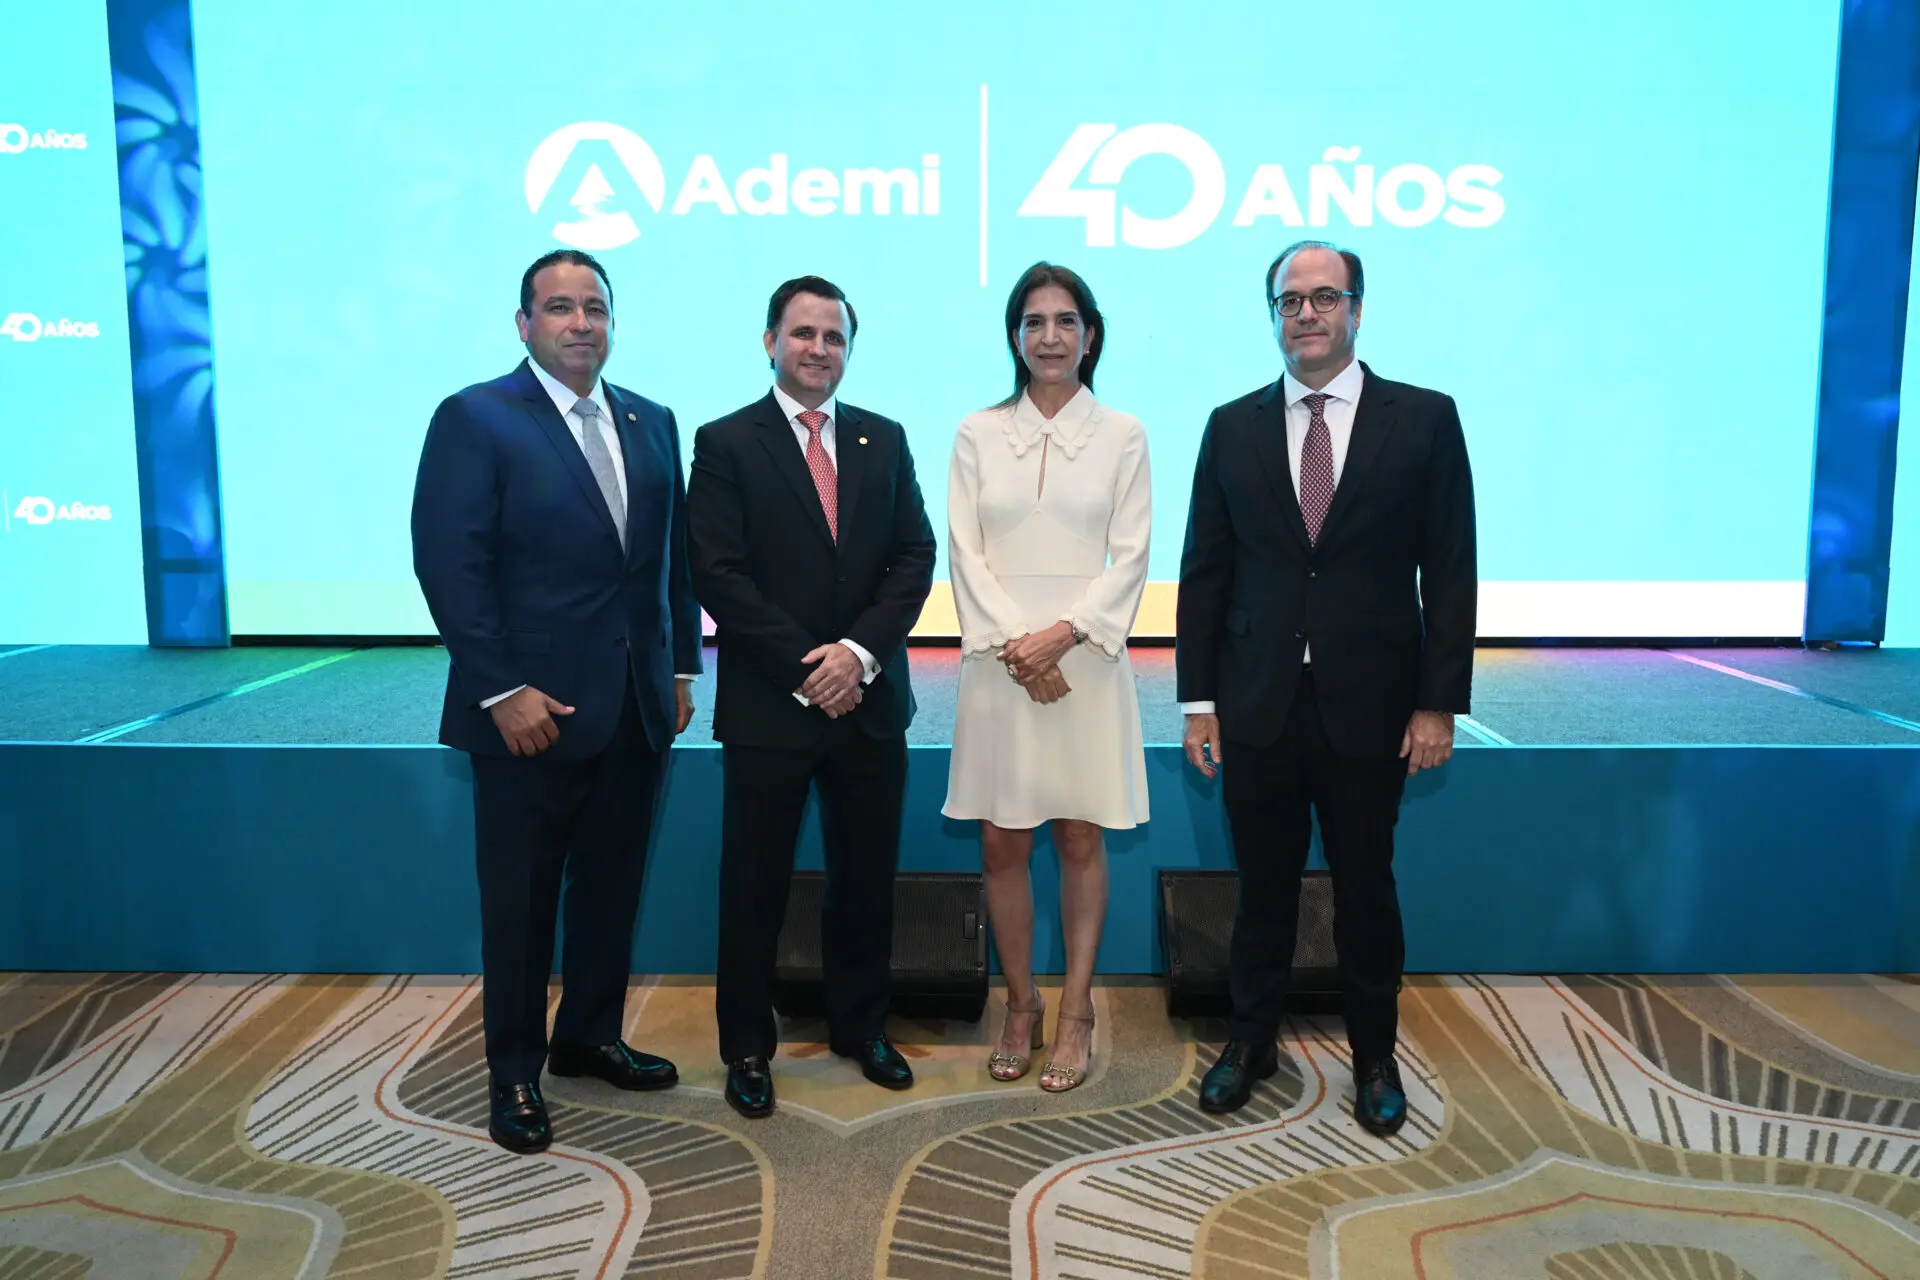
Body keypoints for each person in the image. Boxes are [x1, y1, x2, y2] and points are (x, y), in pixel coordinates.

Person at [1176, 241, 1476, 1133]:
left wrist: (1437, 703)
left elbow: (1451, 572)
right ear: (1273, 315)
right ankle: (1250, 1041)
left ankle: (1375, 1057)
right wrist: (1200, 701)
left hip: (1374, 708)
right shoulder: (1232, 424)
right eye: (1289, 301)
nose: (1306, 314)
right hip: (1258, 701)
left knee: (1365, 891)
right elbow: (1204, 573)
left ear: (1356, 308)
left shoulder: (1422, 418)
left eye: (1324, 297)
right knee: (1261, 890)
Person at [411, 249, 702, 1155]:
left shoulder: (650, 420)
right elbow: (449, 564)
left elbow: (670, 561)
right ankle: (512, 1073)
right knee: (522, 902)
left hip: (638, 706)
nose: (582, 322)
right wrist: (501, 689)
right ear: (524, 322)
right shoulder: (476, 417)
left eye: (596, 308)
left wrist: (682, 670)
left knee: (612, 889)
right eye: (561, 307)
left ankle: (588, 1037)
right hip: (527, 714)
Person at [687, 275, 936, 1119]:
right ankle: (747, 1048)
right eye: (802, 334)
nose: (818, 350)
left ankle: (860, 1027)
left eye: (833, 337)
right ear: (770, 342)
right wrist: (808, 664)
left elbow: (914, 557)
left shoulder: (884, 439)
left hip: (867, 701)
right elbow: (716, 572)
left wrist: (859, 655)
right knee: (753, 885)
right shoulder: (726, 443)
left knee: (864, 880)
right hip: (771, 707)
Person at [943, 263, 1150, 1093]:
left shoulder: (1124, 433)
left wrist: (1061, 637)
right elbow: (964, 553)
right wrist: (1015, 647)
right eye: (1034, 322)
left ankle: (1075, 1010)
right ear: (1015, 336)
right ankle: (1019, 1005)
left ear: (1090, 335)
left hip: (1087, 663)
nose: (1051, 337)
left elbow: (1131, 556)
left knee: (1078, 834)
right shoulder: (976, 433)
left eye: (1067, 321)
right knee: (1001, 838)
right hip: (1000, 669)